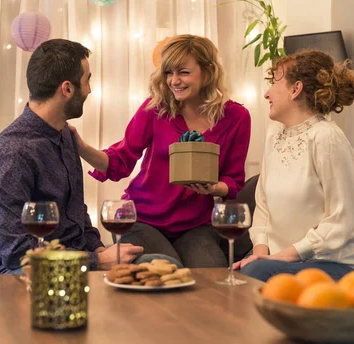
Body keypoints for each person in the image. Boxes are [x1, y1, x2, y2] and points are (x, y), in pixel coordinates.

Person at [71, 35, 251, 268]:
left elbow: (234, 179)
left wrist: (215, 188)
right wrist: (81, 147)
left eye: (183, 72)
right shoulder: (155, 110)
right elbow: (120, 160)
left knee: (211, 275)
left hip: (197, 224)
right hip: (144, 221)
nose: (174, 81)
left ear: (207, 72)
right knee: (167, 270)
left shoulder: (237, 118)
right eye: (168, 73)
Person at [0, 39, 144, 274]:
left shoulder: (65, 135)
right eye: (87, 80)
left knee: (156, 264)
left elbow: (75, 213)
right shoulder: (11, 153)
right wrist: (97, 262)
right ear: (67, 89)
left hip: (78, 262)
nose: (89, 89)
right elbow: (18, 254)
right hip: (25, 272)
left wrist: (97, 249)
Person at [233, 50, 354, 282]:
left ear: (295, 89)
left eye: (274, 82)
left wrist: (279, 258)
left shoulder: (327, 137)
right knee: (244, 274)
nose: (266, 93)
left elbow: (341, 219)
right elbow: (263, 207)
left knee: (254, 273)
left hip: (341, 267)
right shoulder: (274, 136)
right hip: (291, 264)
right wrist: (259, 255)